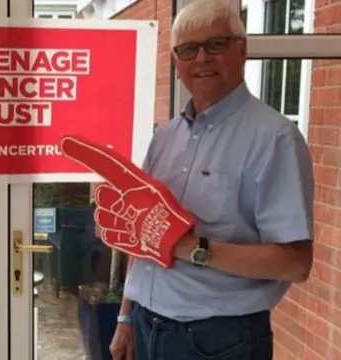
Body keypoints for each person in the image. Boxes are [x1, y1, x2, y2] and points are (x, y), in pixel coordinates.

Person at [108, 0, 314, 359]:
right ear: (176, 63)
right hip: (146, 325)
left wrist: (194, 247)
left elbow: (295, 264)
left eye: (216, 44)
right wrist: (126, 315)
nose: (201, 58)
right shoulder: (165, 137)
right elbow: (144, 236)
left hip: (218, 340)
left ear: (242, 49)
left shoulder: (275, 139)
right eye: (188, 49)